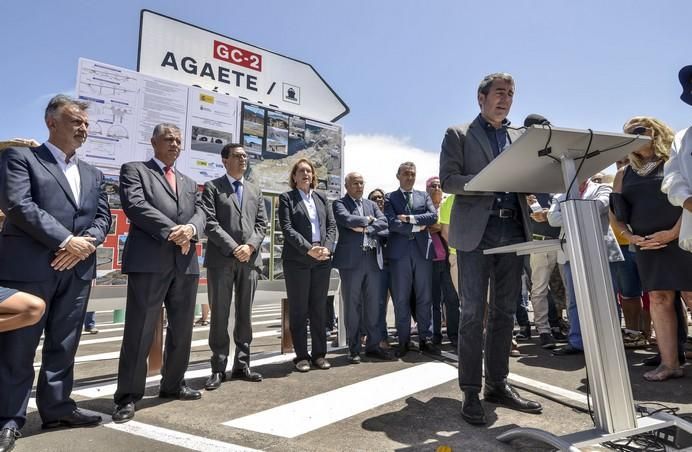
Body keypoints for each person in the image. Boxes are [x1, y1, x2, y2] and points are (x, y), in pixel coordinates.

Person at [0, 95, 111, 451]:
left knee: (64, 344)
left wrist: (87, 243)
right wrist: (66, 240)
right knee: (18, 347)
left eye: (86, 123)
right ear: (51, 122)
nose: (83, 128)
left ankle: (58, 408)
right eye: (76, 121)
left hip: (77, 270)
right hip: (31, 267)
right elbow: (18, 204)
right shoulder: (22, 158)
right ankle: (8, 418)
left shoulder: (93, 173)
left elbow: (103, 217)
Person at [440, 72, 542, 426]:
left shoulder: (520, 137)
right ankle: (470, 390)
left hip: (512, 228)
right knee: (472, 314)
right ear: (480, 97)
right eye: (500, 92)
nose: (506, 99)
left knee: (505, 313)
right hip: (476, 234)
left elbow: (530, 174)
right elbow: (449, 180)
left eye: (511, 94)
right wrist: (486, 183)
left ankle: (497, 384)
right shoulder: (459, 134)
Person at [112, 123, 206, 423]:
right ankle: (128, 396)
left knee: (182, 329)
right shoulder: (134, 170)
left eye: (179, 141)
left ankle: (173, 384)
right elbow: (136, 206)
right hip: (150, 261)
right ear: (153, 142)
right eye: (169, 139)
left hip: (185, 262)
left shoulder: (190, 182)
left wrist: (190, 229)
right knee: (140, 330)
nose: (175, 145)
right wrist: (172, 231)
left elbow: (202, 213)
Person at [611, 116, 692, 381]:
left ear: (654, 130)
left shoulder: (676, 161)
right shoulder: (624, 173)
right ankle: (670, 364)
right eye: (627, 133)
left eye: (638, 129)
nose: (633, 135)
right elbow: (616, 213)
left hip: (682, 239)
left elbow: (686, 200)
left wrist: (672, 233)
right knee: (658, 300)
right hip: (648, 246)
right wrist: (631, 238)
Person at [201, 143, 268, 389]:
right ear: (224, 160)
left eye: (245, 156)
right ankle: (218, 368)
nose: (243, 160)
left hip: (249, 262)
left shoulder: (254, 190)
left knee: (245, 315)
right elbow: (210, 222)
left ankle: (242, 364)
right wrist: (233, 247)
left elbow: (262, 224)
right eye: (238, 156)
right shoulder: (212, 188)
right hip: (222, 261)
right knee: (219, 315)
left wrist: (249, 247)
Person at [549, 177, 623, 356]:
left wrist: (567, 210)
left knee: (607, 298)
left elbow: (598, 207)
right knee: (574, 300)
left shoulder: (602, 188)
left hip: (600, 250)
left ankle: (611, 341)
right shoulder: (559, 194)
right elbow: (552, 219)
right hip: (571, 253)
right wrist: (580, 210)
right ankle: (577, 342)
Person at [278, 158, 336, 372]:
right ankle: (301, 356)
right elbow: (287, 228)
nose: (305, 174)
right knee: (299, 309)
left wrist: (326, 248)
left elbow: (331, 226)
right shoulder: (287, 198)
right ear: (294, 177)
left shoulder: (321, 197)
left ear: (313, 176)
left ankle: (320, 354)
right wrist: (308, 248)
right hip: (298, 261)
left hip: (322, 260)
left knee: (319, 308)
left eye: (308, 171)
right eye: (300, 171)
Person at [332, 172, 392, 363]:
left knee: (373, 305)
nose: (359, 186)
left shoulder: (371, 205)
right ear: (347, 186)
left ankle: (373, 346)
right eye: (355, 183)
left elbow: (385, 224)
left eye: (361, 183)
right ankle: (354, 348)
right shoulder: (339, 203)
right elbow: (347, 220)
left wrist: (366, 227)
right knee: (352, 306)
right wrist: (369, 221)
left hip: (372, 260)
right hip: (351, 263)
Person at [384, 162, 439, 358]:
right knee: (401, 299)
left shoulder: (424, 196)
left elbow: (433, 217)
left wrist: (409, 219)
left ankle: (426, 339)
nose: (410, 177)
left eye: (413, 174)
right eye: (406, 174)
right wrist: (418, 226)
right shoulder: (390, 197)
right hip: (399, 255)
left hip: (422, 252)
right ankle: (404, 341)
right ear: (398, 176)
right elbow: (392, 223)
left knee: (425, 297)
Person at [426, 177, 459, 347]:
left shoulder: (447, 204)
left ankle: (454, 334)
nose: (437, 188)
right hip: (430, 260)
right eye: (433, 186)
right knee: (434, 301)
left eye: (439, 185)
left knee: (452, 299)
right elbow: (428, 226)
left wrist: (435, 224)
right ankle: (435, 335)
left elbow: (438, 227)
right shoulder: (423, 206)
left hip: (448, 259)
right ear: (427, 188)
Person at [368, 188, 392, 349]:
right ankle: (381, 338)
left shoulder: (390, 216)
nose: (379, 200)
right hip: (378, 266)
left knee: (399, 302)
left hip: (396, 265)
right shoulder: (368, 218)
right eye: (375, 198)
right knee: (380, 304)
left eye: (381, 197)